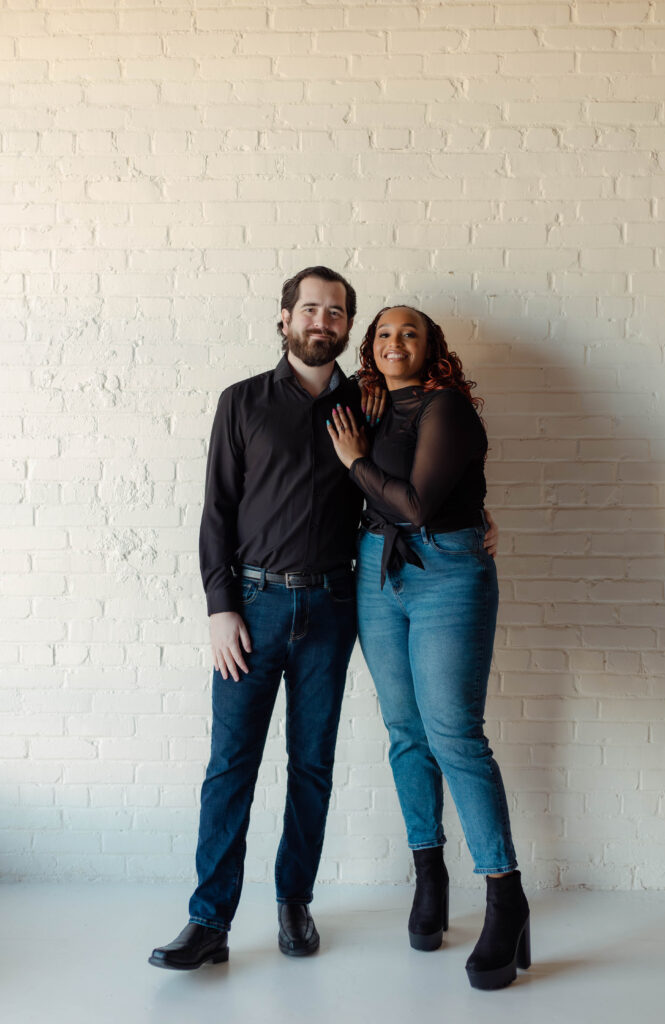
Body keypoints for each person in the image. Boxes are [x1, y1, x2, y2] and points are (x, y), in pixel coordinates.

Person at [148, 268, 499, 973]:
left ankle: (293, 904)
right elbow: (215, 512)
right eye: (309, 309)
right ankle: (208, 920)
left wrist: (477, 518)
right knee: (230, 766)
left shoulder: (370, 405)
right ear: (283, 319)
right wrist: (220, 609)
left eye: (335, 312)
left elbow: (414, 480)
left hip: (337, 607)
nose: (321, 321)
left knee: (312, 765)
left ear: (348, 329)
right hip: (252, 607)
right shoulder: (241, 402)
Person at [326, 305, 530, 991]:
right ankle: (428, 875)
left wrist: (355, 459)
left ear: (431, 347)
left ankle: (504, 896)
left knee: (454, 735)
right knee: (405, 733)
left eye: (408, 332)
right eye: (382, 333)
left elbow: (414, 504)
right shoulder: (369, 406)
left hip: (445, 572)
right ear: (370, 349)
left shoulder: (449, 410)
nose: (394, 342)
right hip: (376, 573)